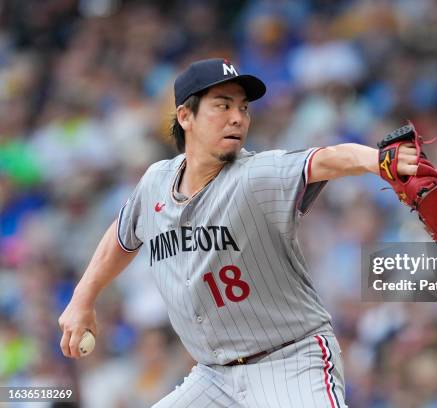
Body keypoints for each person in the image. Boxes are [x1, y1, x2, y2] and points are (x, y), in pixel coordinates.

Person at [58, 58, 418, 407]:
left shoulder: (255, 175)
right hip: (213, 378)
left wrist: (377, 161)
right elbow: (122, 235)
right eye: (223, 105)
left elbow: (326, 158)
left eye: (243, 108)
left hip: (289, 361)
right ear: (186, 116)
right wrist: (82, 298)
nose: (238, 117)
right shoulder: (155, 182)